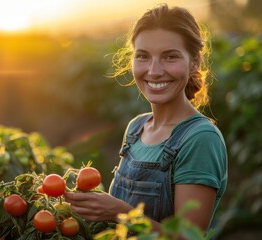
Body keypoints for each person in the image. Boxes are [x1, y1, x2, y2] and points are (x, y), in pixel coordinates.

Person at [64, 3, 228, 235]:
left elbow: (188, 237)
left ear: (194, 63)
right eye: (143, 56)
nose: (154, 70)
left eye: (170, 57)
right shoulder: (136, 127)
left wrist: (119, 213)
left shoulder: (200, 139)